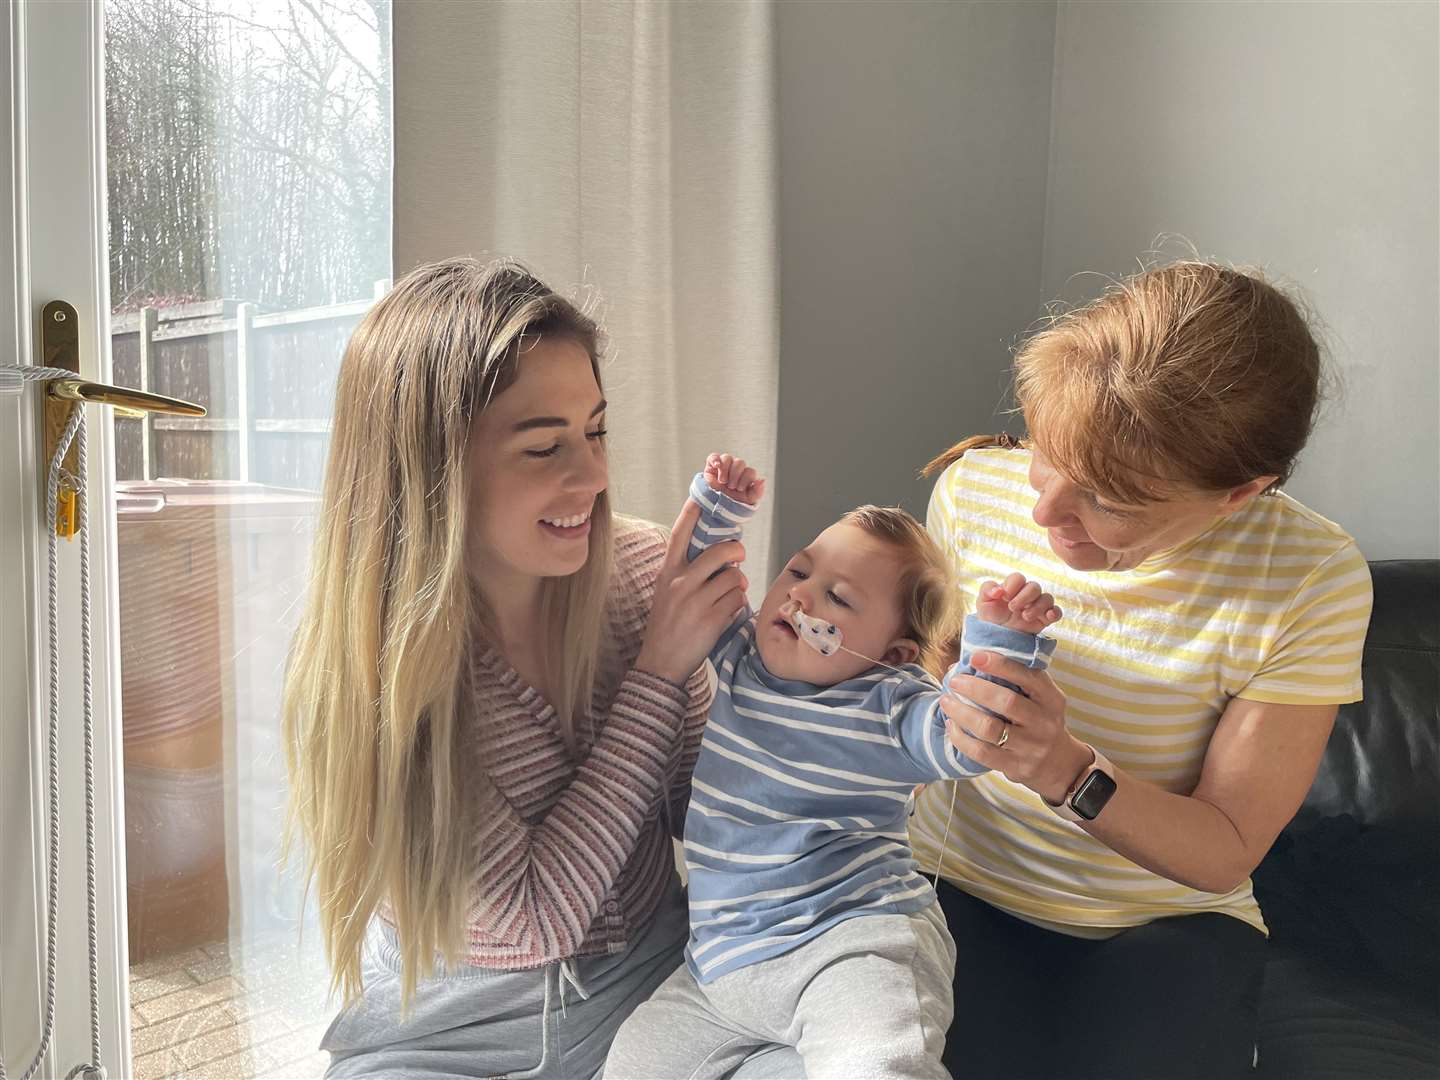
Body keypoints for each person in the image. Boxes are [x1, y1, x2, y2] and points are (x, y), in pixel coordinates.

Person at [281, 257, 750, 1079]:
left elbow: (705, 819)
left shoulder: (641, 578)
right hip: (453, 1028)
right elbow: (536, 921)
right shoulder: (382, 676)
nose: (595, 478)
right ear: (433, 472)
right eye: (544, 448)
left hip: (660, 985)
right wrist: (659, 674)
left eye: (596, 431)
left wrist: (828, 735)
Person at [908, 261, 1374, 1079]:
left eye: (1111, 500)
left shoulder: (1310, 576)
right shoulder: (969, 493)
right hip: (950, 885)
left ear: (1242, 494)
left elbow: (1226, 846)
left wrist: (1062, 767)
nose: (1044, 510)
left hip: (1164, 925)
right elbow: (916, 694)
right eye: (1048, 454)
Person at [605, 453, 1060, 1079]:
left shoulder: (890, 704)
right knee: (631, 1062)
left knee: (874, 1063)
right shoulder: (740, 658)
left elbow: (971, 737)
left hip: (846, 941)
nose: (798, 595)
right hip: (719, 968)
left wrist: (999, 639)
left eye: (836, 598)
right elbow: (692, 588)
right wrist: (719, 508)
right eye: (798, 569)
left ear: (892, 654)